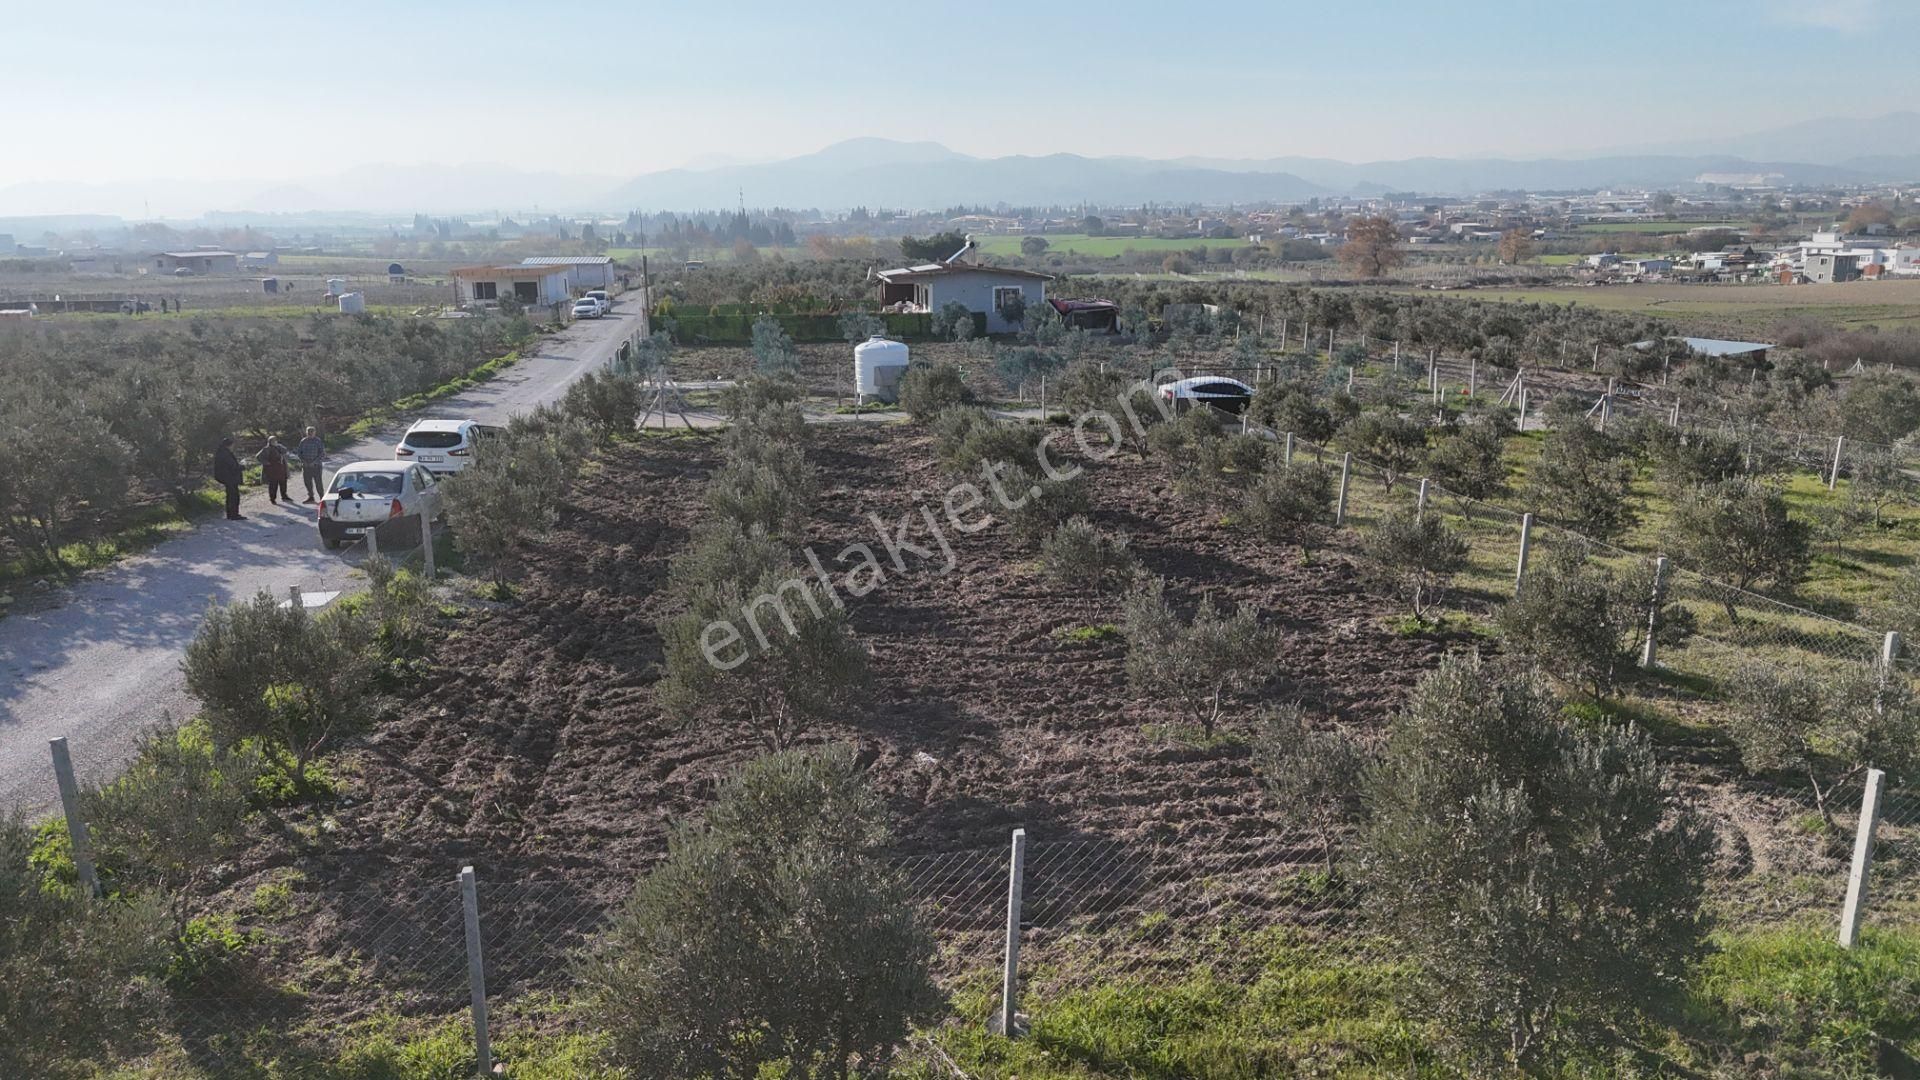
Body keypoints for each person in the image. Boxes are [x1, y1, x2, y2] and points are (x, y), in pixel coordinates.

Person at [213, 437, 244, 520]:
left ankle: (230, 514)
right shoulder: (226, 454)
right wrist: (242, 467)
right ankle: (234, 515)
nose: (233, 447)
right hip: (230, 477)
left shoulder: (221, 453)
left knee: (230, 496)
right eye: (232, 445)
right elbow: (233, 466)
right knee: (234, 496)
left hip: (226, 477)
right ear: (229, 445)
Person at [256, 436, 291, 505]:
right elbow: (258, 457)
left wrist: (279, 446)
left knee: (283, 482)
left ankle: (284, 496)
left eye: (275, 440)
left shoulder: (279, 447)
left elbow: (285, 451)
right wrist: (266, 463)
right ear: (269, 442)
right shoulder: (266, 449)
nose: (274, 442)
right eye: (273, 441)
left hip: (281, 468)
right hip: (272, 470)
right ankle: (272, 498)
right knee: (273, 485)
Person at [296, 426, 326, 503]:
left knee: (318, 483)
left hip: (316, 466)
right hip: (306, 466)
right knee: (307, 482)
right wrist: (303, 461)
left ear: (314, 432)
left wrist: (314, 462)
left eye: (311, 432)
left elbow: (322, 453)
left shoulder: (318, 441)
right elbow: (299, 452)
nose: (310, 433)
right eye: (308, 432)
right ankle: (311, 497)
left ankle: (322, 498)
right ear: (306, 432)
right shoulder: (303, 441)